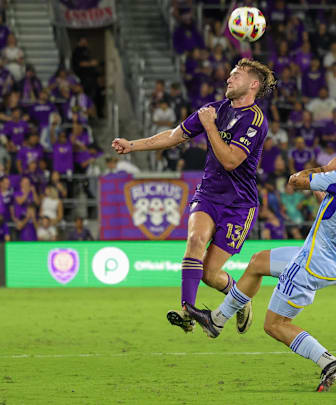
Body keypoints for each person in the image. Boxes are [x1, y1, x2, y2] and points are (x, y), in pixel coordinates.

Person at [185, 128, 336, 392]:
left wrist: (326, 168)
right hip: (328, 258)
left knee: (275, 325)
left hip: (313, 261)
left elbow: (294, 180)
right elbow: (327, 200)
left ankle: (329, 362)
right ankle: (217, 320)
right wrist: (326, 177)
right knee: (258, 262)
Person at [112, 59, 277, 333]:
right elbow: (174, 136)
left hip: (239, 204)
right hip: (209, 195)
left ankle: (240, 300)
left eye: (236, 75)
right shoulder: (212, 110)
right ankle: (187, 309)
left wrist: (210, 127)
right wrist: (133, 145)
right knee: (195, 239)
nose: (229, 79)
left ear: (253, 84)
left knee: (210, 274)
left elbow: (231, 161)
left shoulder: (255, 120)